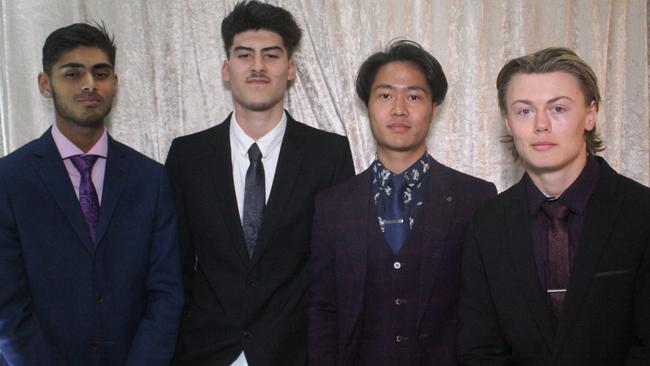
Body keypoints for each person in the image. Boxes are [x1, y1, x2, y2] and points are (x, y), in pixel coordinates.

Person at [165, 1, 355, 365]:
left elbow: (336, 272)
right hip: (205, 352)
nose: (257, 66)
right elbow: (175, 269)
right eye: (244, 55)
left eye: (271, 55)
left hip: (295, 353)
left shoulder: (328, 155)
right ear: (226, 68)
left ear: (291, 69)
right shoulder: (188, 157)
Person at [0, 22, 183, 366]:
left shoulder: (151, 179)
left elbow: (167, 293)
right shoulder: (9, 180)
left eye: (101, 73)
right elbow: (7, 307)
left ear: (115, 83)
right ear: (45, 83)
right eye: (73, 73)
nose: (89, 84)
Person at [308, 40, 497, 366]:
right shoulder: (333, 206)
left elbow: (486, 311)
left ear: (434, 107)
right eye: (385, 95)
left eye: (413, 96)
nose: (399, 109)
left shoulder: (475, 198)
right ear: (367, 104)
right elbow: (323, 308)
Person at [457, 47, 650, 365]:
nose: (541, 125)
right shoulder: (486, 226)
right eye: (524, 111)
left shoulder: (641, 214)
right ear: (508, 122)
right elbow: (479, 350)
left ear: (590, 114)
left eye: (558, 108)